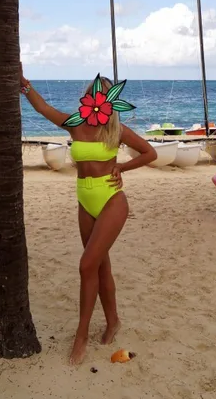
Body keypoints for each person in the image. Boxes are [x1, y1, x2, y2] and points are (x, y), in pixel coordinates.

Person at [20, 65, 157, 365]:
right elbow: (44, 109)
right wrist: (24, 84)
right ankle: (113, 321)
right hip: (84, 199)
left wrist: (122, 167)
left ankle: (80, 336)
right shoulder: (75, 124)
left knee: (86, 265)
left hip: (111, 199)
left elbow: (150, 153)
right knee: (99, 265)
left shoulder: (116, 131)